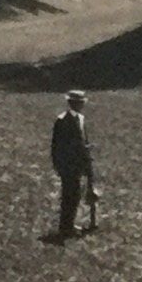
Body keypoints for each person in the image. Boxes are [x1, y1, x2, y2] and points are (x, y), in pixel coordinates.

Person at [51, 89, 96, 238]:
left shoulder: (81, 119)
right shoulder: (62, 120)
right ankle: (65, 227)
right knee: (68, 195)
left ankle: (69, 223)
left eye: (81, 103)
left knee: (76, 195)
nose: (80, 106)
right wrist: (60, 166)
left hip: (78, 164)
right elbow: (56, 146)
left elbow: (84, 140)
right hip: (67, 165)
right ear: (71, 103)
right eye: (77, 103)